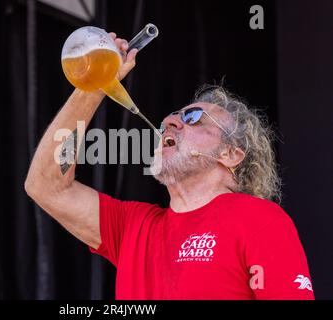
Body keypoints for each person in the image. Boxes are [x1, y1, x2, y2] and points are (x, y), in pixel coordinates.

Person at [24, 33, 314, 300]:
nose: (170, 122)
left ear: (230, 154)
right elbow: (46, 185)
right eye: (172, 118)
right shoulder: (132, 227)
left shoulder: (259, 218)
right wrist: (95, 85)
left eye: (193, 118)